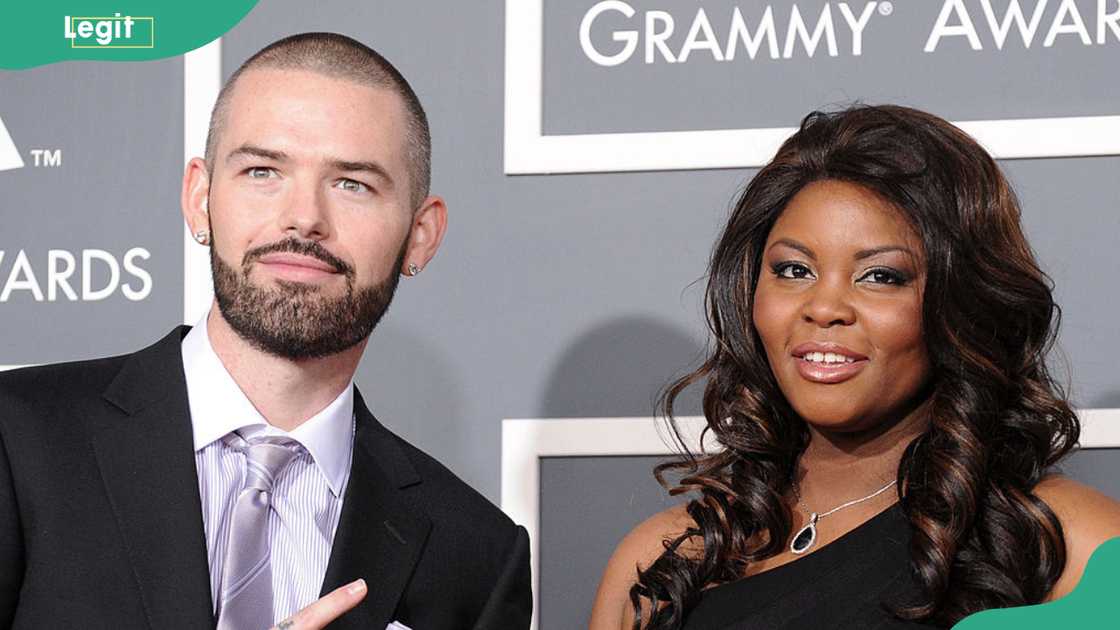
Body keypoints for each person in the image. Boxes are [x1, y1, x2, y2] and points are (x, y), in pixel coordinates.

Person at [0, 33, 531, 630]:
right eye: (262, 171)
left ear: (421, 235)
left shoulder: (476, 553)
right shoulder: (17, 441)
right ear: (200, 198)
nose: (303, 217)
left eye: (352, 183)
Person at [588, 105, 1120, 629]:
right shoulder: (663, 565)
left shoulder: (1069, 546)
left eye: (880, 277)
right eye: (794, 269)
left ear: (963, 304)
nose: (824, 308)